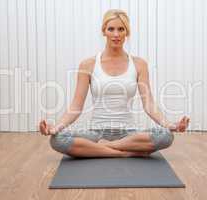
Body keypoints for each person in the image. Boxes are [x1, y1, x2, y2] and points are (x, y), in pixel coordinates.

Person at [39, 9, 189, 158]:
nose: (116, 34)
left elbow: (149, 105)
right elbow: (76, 107)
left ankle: (101, 149)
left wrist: (171, 125)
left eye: (121, 29)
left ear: (126, 32)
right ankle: (126, 154)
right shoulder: (88, 64)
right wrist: (56, 127)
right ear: (104, 31)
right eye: (111, 29)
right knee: (57, 139)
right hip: (96, 133)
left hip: (129, 134)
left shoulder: (139, 64)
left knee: (165, 135)